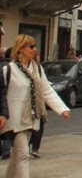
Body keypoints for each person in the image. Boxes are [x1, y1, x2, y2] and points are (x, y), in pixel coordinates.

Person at [2, 34, 69, 176]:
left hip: (31, 118)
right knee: (23, 155)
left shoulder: (37, 69)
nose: (34, 49)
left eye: (34, 46)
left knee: (17, 156)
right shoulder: (8, 70)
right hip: (13, 119)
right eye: (31, 46)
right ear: (20, 48)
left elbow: (46, 90)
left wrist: (61, 109)